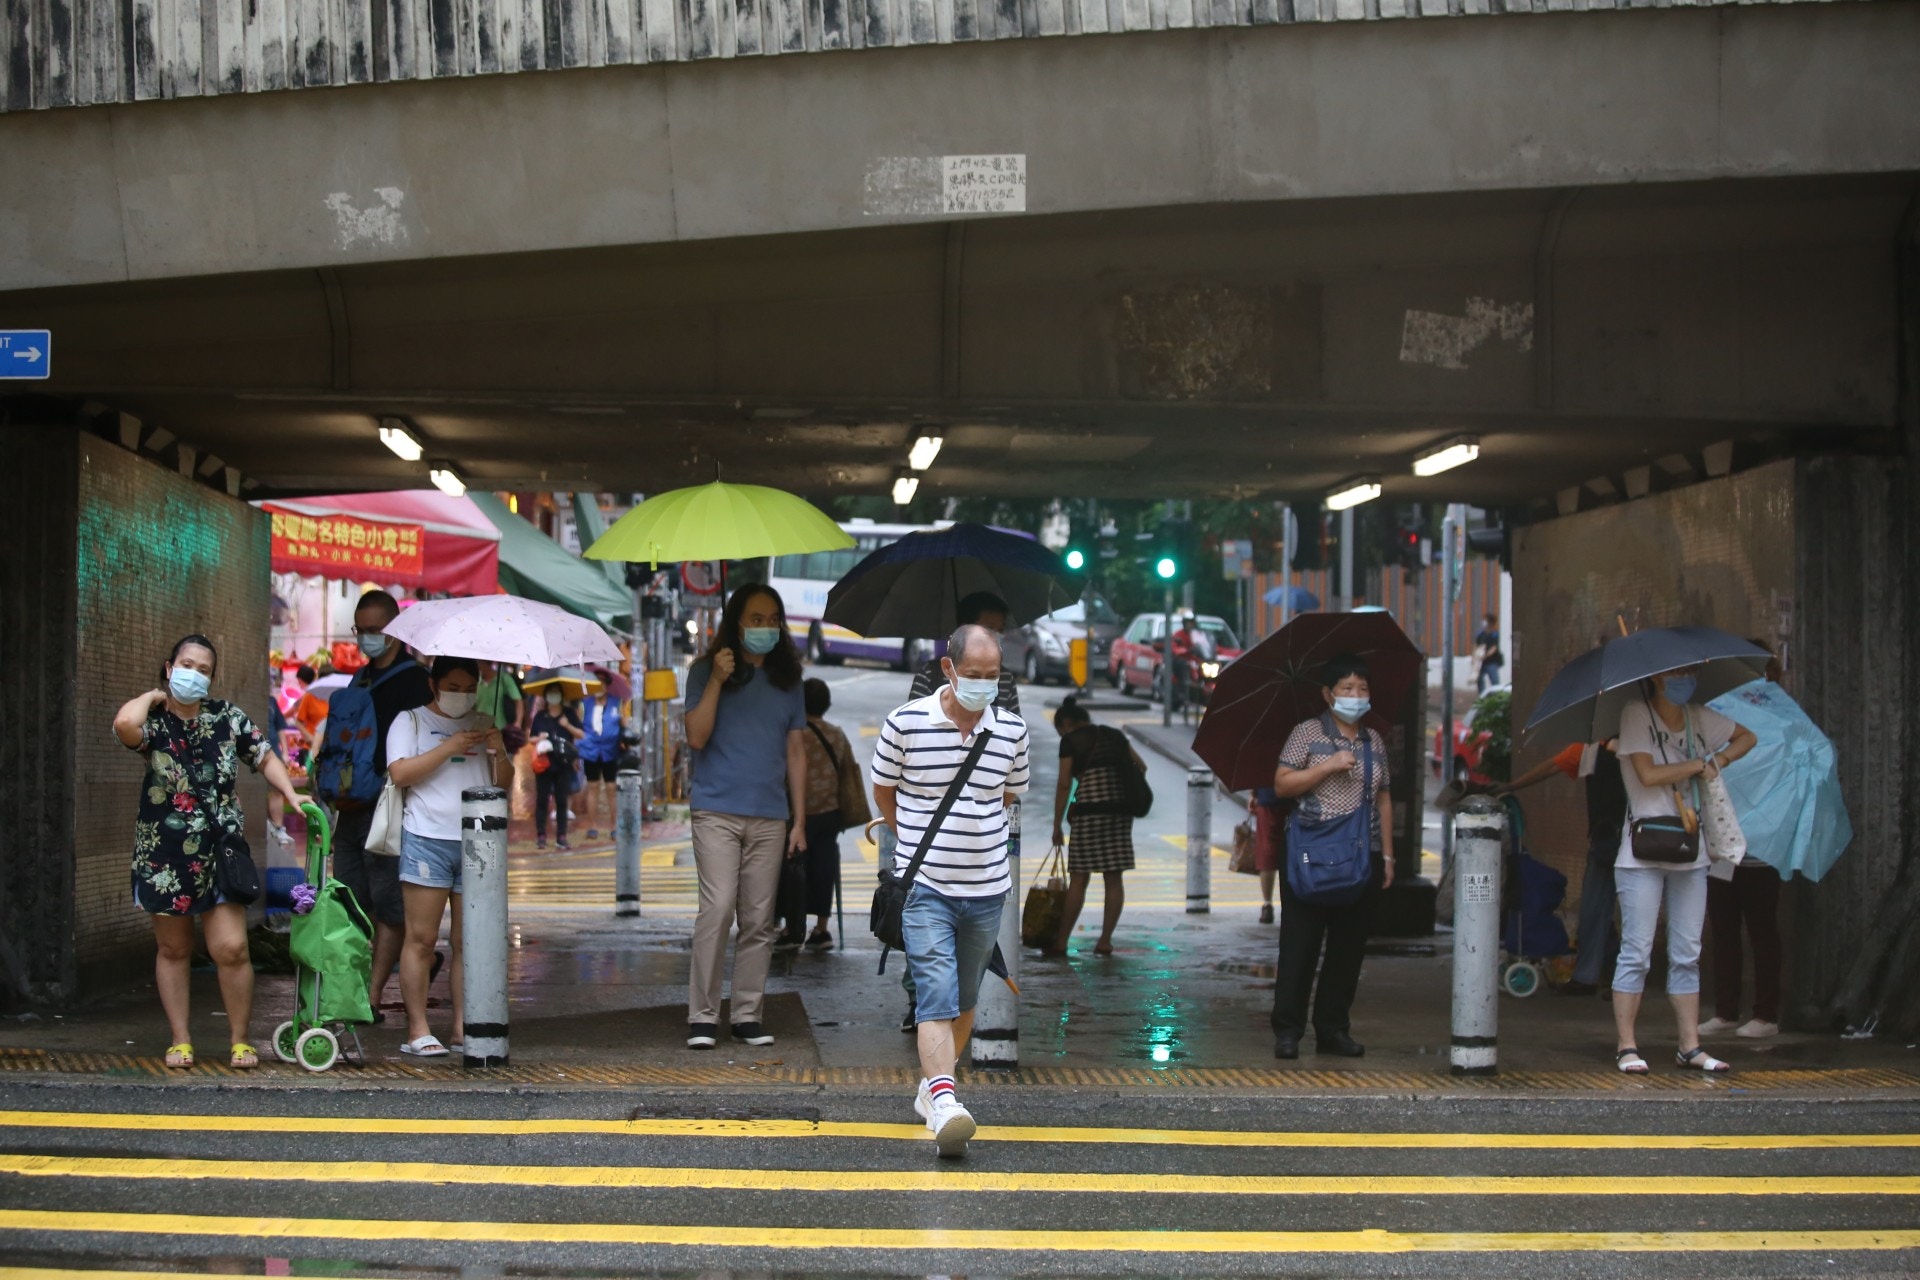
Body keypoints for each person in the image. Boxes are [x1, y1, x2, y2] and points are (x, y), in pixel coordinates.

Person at [872, 623, 1030, 1157]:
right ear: (949, 668)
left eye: (993, 676)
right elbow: (884, 792)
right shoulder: (905, 723)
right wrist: (916, 843)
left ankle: (931, 1089)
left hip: (988, 889)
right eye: (974, 675)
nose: (984, 685)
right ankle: (944, 1099)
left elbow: (1010, 793)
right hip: (927, 888)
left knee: (964, 1000)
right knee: (935, 994)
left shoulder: (1011, 730)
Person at [114, 635, 306, 1070]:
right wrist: (151, 696)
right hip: (164, 856)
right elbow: (125, 725)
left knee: (232, 947)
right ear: (169, 668)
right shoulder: (155, 722)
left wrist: (291, 795)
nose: (194, 674)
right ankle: (180, 1039)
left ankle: (240, 1040)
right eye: (186, 664)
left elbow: (263, 755)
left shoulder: (226, 717)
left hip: (220, 854)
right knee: (174, 949)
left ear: (212, 678)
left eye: (203, 669)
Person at [1611, 665, 1757, 1074]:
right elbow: (1647, 773)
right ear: (1657, 676)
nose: (1685, 677)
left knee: (1688, 952)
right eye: (1677, 672)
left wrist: (1720, 759)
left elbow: (1748, 736)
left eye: (1690, 671)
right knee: (1637, 952)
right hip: (1642, 851)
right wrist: (1696, 765)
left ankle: (1690, 1046)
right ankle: (1627, 1045)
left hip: (1690, 851)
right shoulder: (1636, 713)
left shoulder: (1699, 717)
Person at [683, 583, 809, 1050]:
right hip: (715, 809)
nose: (765, 627)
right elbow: (696, 737)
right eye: (756, 619)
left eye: (773, 619)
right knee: (716, 911)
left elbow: (797, 751)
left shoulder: (788, 679)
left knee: (758, 920)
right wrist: (717, 679)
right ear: (736, 623)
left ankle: (747, 1014)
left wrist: (799, 819)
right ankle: (702, 1016)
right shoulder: (703, 672)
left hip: (770, 815)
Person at [900, 590, 1018, 1031]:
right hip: (926, 837)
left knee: (967, 963)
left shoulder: (1003, 684)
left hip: (980, 850)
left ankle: (937, 1075)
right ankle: (922, 1003)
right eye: (991, 628)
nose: (997, 637)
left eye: (1000, 631)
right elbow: (891, 778)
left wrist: (979, 808)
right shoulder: (928, 676)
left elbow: (1010, 774)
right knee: (926, 936)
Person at [1268, 655, 1394, 1060]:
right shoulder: (1306, 734)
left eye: (1362, 689)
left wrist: (1388, 856)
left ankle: (1333, 1029)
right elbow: (1283, 785)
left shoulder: (1373, 741)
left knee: (1347, 949)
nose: (1356, 696)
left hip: (1362, 857)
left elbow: (1384, 797)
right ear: (1327, 694)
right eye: (1346, 688)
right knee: (1300, 947)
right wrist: (1327, 766)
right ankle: (1288, 1032)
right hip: (1311, 858)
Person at [384, 656, 511, 1057]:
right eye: (453, 688)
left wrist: (500, 752)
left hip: (476, 840)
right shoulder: (411, 721)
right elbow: (400, 774)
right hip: (426, 837)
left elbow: (501, 785)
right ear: (434, 684)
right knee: (421, 939)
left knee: (468, 941)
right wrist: (450, 747)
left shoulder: (484, 722)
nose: (462, 696)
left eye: (469, 688)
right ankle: (418, 1028)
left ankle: (462, 1026)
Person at [324, 590, 433, 1018]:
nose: (366, 639)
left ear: (394, 631)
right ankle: (356, 985)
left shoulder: (415, 682)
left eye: (375, 631)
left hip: (389, 806)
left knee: (389, 903)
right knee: (350, 900)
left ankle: (369, 995)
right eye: (361, 630)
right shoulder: (359, 678)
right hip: (348, 806)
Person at [1700, 643, 1788, 1040]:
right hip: (1723, 835)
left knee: (1761, 928)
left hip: (1761, 841)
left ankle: (1766, 1014)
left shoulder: (1780, 714)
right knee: (1723, 927)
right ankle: (1725, 1010)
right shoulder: (1721, 710)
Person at [1501, 737, 1629, 996]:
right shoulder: (1592, 747)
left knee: (1614, 911)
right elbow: (1554, 765)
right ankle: (1591, 976)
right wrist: (1513, 785)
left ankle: (1609, 978)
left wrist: (1513, 785)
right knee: (1595, 911)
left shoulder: (1621, 744)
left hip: (1624, 836)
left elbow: (1552, 766)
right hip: (1607, 837)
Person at [1045, 696, 1142, 956]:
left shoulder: (1071, 741)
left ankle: (1061, 941)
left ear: (1067, 724)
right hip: (1120, 813)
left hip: (1088, 814)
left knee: (1079, 877)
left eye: (1060, 731)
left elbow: (1065, 784)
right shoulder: (1114, 736)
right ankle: (1105, 941)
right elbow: (1140, 766)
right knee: (1113, 877)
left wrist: (1057, 824)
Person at [787, 677, 871, 951]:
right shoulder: (836, 734)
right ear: (826, 705)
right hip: (829, 813)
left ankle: (790, 926)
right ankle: (822, 929)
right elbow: (848, 770)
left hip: (794, 812)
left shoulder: (793, 733)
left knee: (790, 869)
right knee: (825, 867)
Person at [907, 591, 1021, 715]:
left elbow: (1013, 728)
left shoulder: (1005, 679)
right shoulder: (930, 674)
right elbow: (913, 723)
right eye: (989, 628)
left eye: (1000, 629)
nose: (995, 635)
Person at [530, 686, 585, 850]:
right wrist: (538, 738)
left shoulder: (569, 713)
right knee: (542, 800)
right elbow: (531, 737)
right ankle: (541, 835)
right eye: (550, 692)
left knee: (562, 800)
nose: (553, 696)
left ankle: (561, 836)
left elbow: (581, 734)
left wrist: (567, 725)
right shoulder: (541, 716)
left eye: (556, 692)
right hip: (544, 764)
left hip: (563, 764)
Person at [577, 685, 624, 841]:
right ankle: (592, 825)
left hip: (610, 750)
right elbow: (579, 725)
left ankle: (615, 826)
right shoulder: (585, 703)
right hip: (590, 750)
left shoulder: (616, 703)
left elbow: (622, 723)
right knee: (593, 786)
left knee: (611, 787)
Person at [1250, 786, 1284, 925]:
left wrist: (1254, 793)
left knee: (1267, 851)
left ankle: (1267, 904)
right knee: (1295, 851)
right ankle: (1291, 903)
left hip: (1268, 795)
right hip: (1297, 795)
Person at [291, 664, 329, 747]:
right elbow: (298, 720)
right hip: (311, 747)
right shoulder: (309, 696)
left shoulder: (336, 698)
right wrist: (309, 737)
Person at [1475, 614, 1504, 694]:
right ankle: (1482, 695)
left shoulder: (1494, 634)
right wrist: (1475, 657)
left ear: (1491, 623)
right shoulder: (1480, 634)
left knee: (1495, 681)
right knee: (1479, 679)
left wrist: (1486, 655)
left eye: (1486, 620)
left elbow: (1494, 648)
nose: (1484, 622)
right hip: (1481, 662)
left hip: (1491, 661)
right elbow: (1476, 646)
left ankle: (1497, 696)